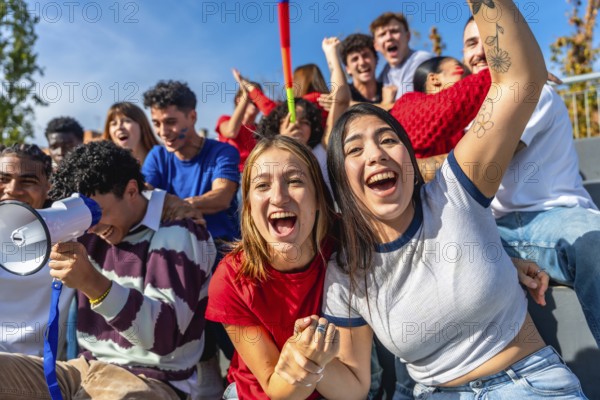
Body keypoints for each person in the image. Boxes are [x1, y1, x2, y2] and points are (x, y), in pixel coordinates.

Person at [317, 1, 587, 398]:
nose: (375, 154)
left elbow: (518, 79)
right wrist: (303, 369)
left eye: (389, 139)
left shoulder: (454, 190)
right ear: (341, 180)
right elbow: (356, 386)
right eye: (355, 149)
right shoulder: (345, 271)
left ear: (411, 160)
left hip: (528, 383)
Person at [0, 141, 216, 399]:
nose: (92, 227)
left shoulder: (177, 233)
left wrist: (92, 283)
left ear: (132, 191)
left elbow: (163, 336)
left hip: (151, 378)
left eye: (97, 212)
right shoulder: (89, 231)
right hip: (81, 370)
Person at [462, 16, 600, 346]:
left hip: (556, 218)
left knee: (593, 243)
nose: (480, 51)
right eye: (470, 43)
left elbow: (487, 164)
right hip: (495, 232)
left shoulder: (535, 91)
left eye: (489, 41)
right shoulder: (463, 109)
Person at [206, 136, 365, 400]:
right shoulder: (230, 279)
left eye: (295, 181)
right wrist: (305, 357)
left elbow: (353, 390)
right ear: (248, 208)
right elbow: (276, 390)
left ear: (318, 199)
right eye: (262, 185)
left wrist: (311, 357)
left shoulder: (348, 248)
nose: (278, 197)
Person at [141, 80, 240, 249]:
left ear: (192, 117)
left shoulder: (222, 152)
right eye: (157, 123)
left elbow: (222, 197)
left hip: (221, 252)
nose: (163, 132)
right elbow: (143, 196)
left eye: (171, 122)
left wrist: (177, 206)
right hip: (172, 250)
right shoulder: (157, 156)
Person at [0, 144, 76, 358]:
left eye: (28, 181)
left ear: (48, 187)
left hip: (35, 373)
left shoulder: (70, 233)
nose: (13, 189)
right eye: (3, 179)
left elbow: (121, 205)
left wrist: (163, 200)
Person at [370, 12, 433, 100]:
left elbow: (404, 107)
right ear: (376, 45)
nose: (389, 37)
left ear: (407, 36)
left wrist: (386, 103)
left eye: (394, 31)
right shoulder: (384, 73)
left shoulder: (421, 60)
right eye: (382, 34)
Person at [217, 70, 261, 173]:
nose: (254, 100)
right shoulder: (225, 120)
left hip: (255, 175)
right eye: (251, 96)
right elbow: (231, 132)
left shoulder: (261, 130)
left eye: (258, 96)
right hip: (232, 174)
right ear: (238, 100)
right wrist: (245, 94)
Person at [339, 33, 396, 109]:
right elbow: (341, 106)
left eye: (366, 55)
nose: (362, 62)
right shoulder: (344, 94)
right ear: (348, 69)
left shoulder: (390, 90)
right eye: (355, 59)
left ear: (375, 60)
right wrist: (385, 105)